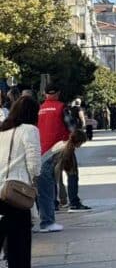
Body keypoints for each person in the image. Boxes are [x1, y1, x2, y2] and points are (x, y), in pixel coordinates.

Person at [0, 96, 46, 268]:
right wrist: (33, 181)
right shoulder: (29, 130)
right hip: (16, 192)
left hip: (0, 190)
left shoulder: (2, 130)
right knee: (20, 243)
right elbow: (34, 164)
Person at [35, 85, 69, 233]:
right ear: (58, 93)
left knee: (42, 187)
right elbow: (72, 126)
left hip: (40, 151)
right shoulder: (61, 107)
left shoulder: (39, 108)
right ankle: (47, 221)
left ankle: (42, 219)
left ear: (44, 94)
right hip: (58, 148)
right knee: (49, 186)